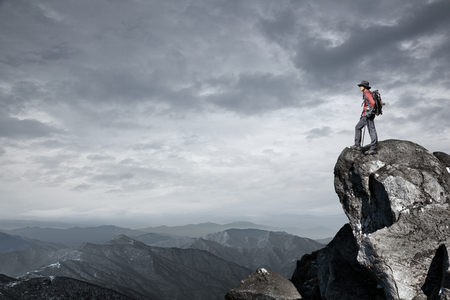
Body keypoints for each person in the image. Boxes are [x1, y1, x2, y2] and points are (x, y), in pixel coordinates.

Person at [351, 80, 378, 155]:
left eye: (361, 86)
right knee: (358, 127)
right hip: (366, 114)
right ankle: (357, 145)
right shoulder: (366, 93)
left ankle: (373, 148)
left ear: (365, 87)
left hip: (368, 115)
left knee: (371, 130)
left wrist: (369, 113)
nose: (360, 87)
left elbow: (373, 103)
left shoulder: (367, 93)